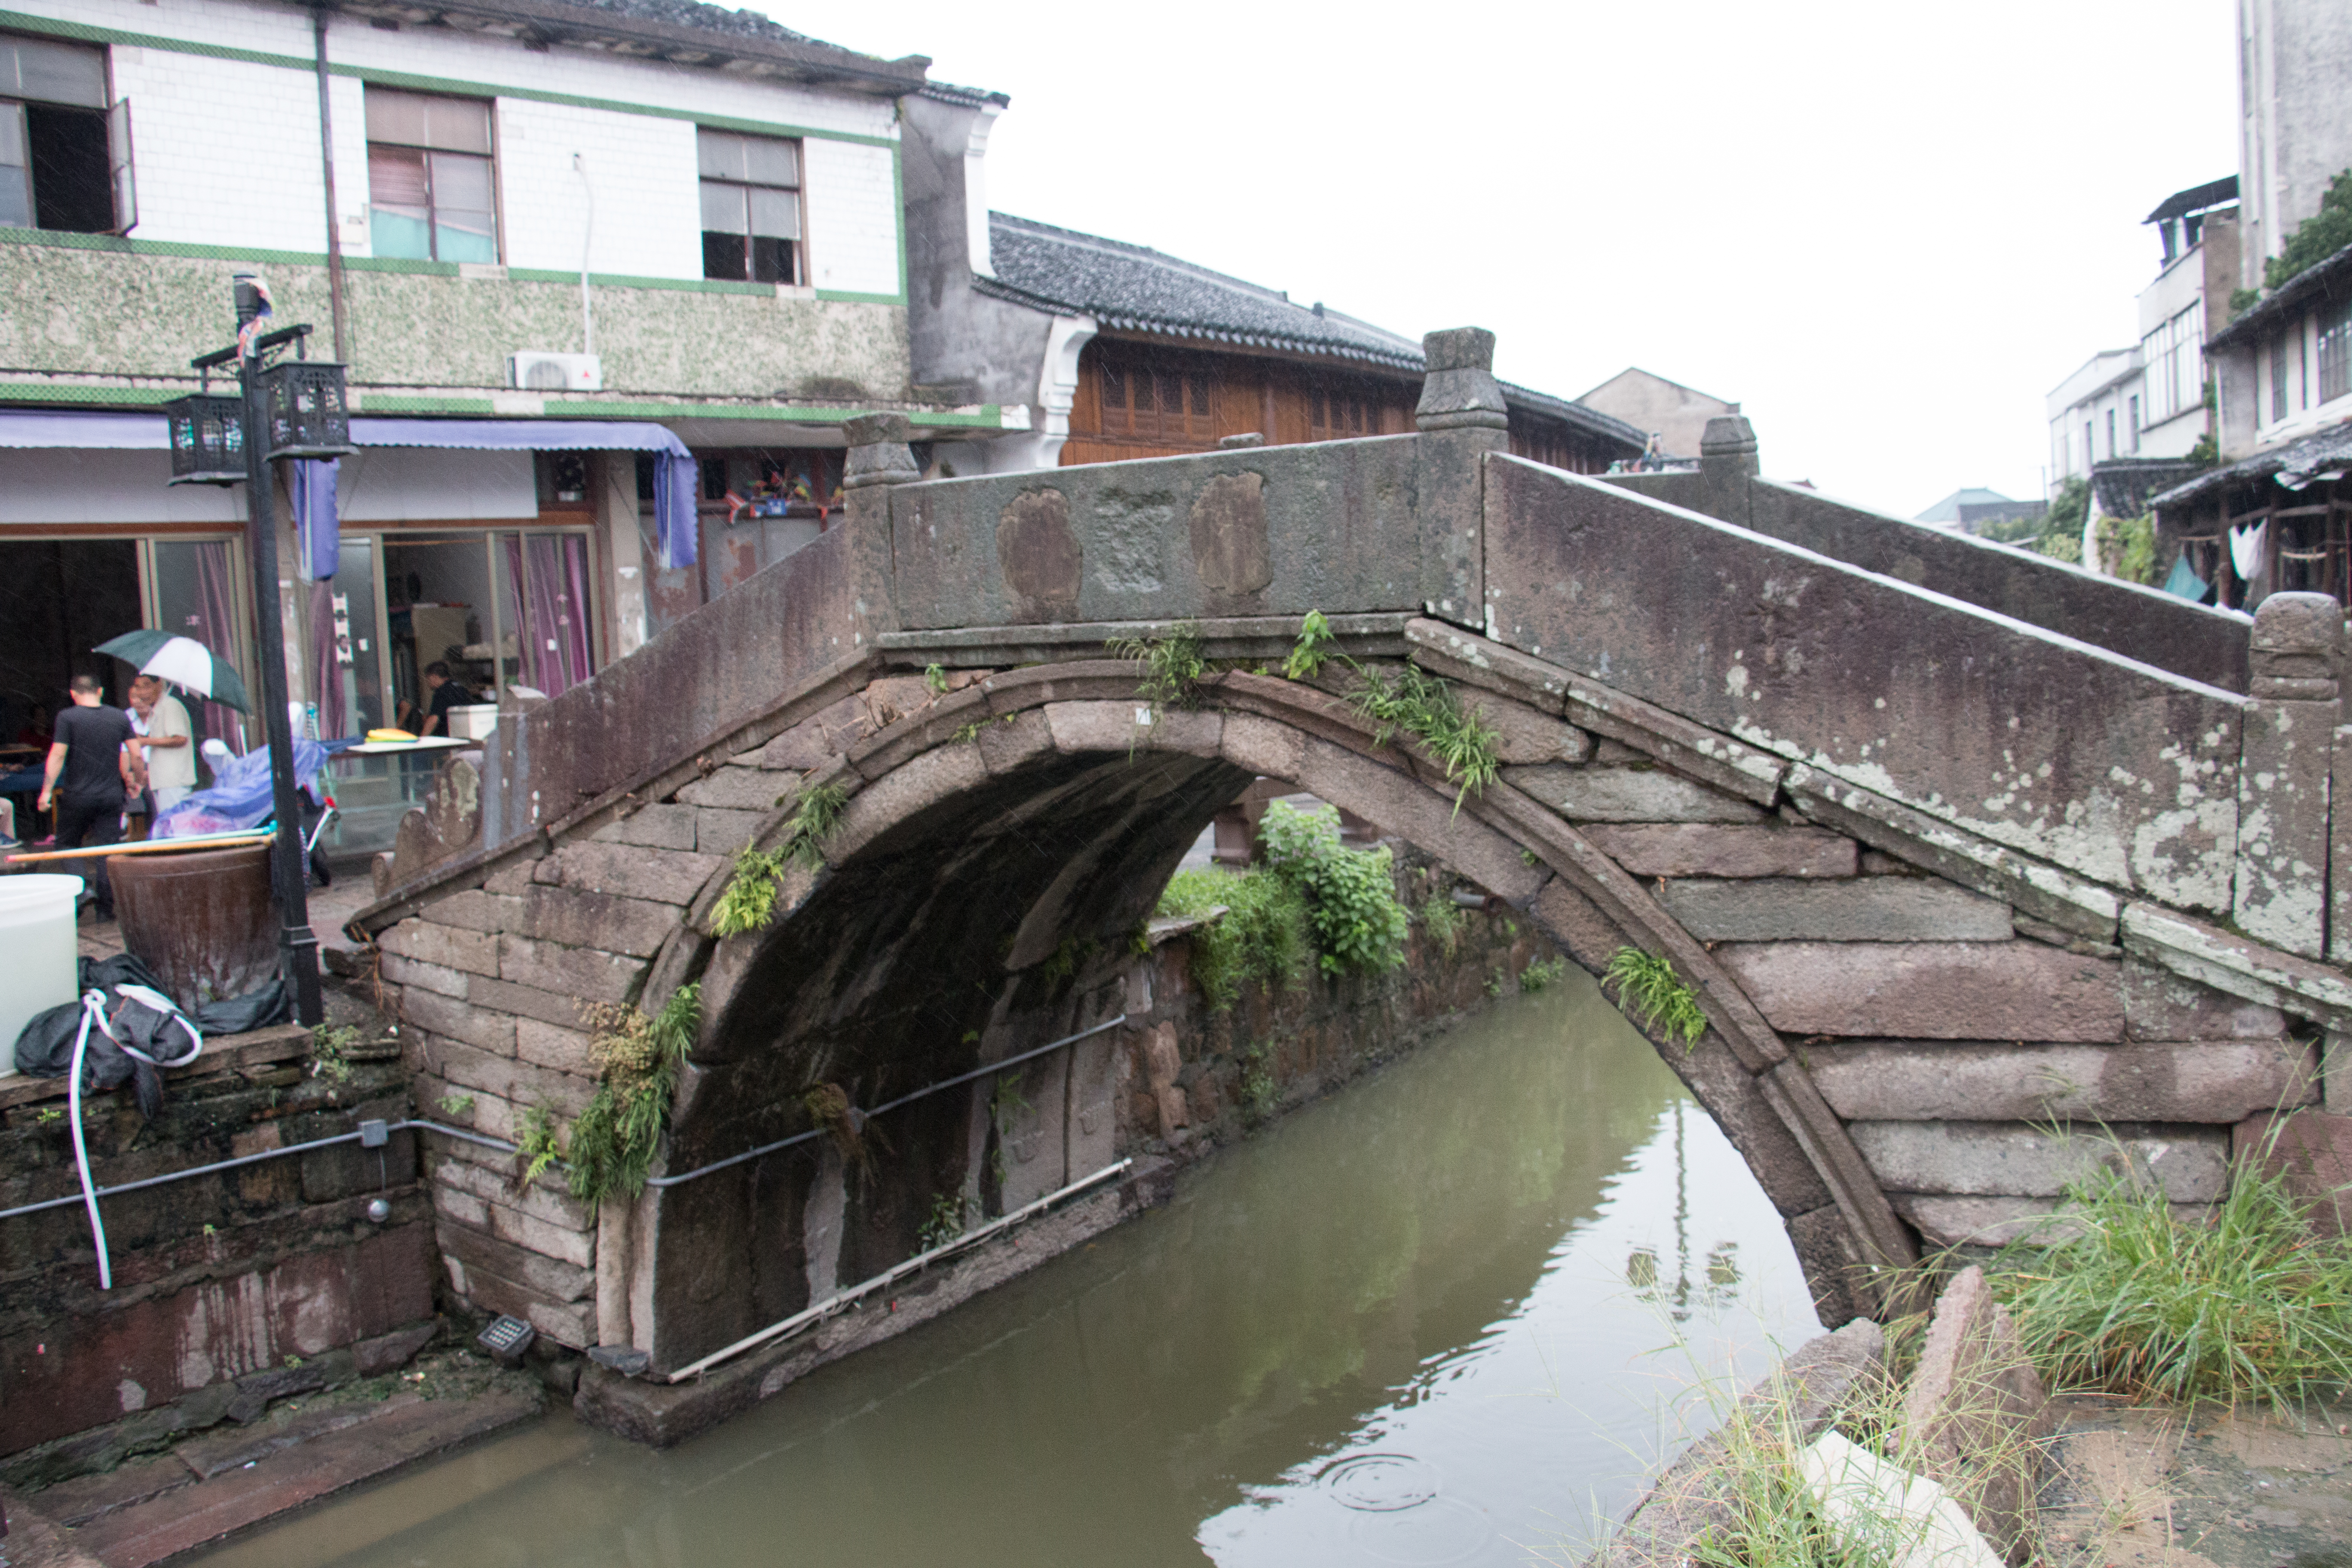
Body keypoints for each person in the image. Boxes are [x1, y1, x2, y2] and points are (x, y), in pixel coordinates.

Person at [37, 674, 138, 922]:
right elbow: (135, 753)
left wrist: (46, 791)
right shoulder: (119, 716)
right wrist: (136, 779)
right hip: (111, 795)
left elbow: (58, 755)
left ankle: (83, 890)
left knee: (66, 845)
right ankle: (106, 910)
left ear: (74, 694)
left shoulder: (67, 717)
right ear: (101, 691)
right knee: (107, 850)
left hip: (78, 796)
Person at [126, 674, 196, 839]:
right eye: (138, 687)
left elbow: (180, 738)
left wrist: (145, 741)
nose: (142, 691)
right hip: (162, 780)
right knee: (168, 830)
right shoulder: (157, 709)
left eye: (147, 685)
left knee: (177, 831)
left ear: (160, 684)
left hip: (174, 781)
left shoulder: (170, 705)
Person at [419, 661, 479, 738]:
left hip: (451, 737)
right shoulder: (459, 687)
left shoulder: (441, 692)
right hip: (469, 733)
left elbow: (434, 720)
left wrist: (421, 740)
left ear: (434, 677)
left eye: (429, 679)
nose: (428, 683)